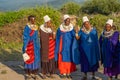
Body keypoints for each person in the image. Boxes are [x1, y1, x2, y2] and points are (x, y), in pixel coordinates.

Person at [55, 14, 78, 79]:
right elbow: (57, 37)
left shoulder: (71, 29)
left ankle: (68, 73)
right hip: (62, 46)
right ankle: (63, 73)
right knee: (62, 58)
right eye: (67, 21)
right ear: (64, 21)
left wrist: (76, 32)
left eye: (69, 21)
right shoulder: (60, 29)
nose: (68, 22)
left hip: (70, 46)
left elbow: (75, 37)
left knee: (69, 59)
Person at [22, 15, 40, 80]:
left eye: (34, 19)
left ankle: (34, 74)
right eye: (32, 20)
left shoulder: (35, 27)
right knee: (28, 59)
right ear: (29, 20)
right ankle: (28, 74)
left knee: (35, 60)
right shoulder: (27, 27)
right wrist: (25, 46)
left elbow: (37, 37)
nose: (33, 21)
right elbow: (25, 37)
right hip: (29, 45)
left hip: (35, 46)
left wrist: (38, 44)